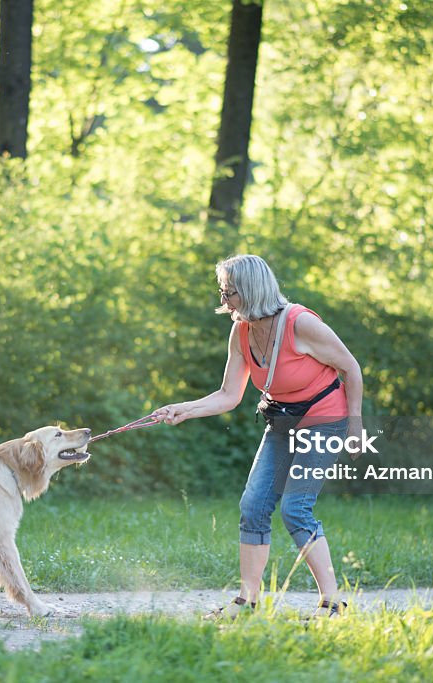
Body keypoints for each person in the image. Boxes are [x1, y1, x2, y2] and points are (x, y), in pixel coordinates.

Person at [152, 254, 364, 619]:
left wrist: (355, 424)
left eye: (229, 293)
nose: (224, 301)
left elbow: (351, 367)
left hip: (325, 419)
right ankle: (246, 602)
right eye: (222, 292)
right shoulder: (242, 331)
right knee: (253, 507)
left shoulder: (300, 324)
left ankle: (333, 603)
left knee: (296, 509)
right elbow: (228, 395)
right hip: (283, 420)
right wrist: (183, 409)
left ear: (250, 291)